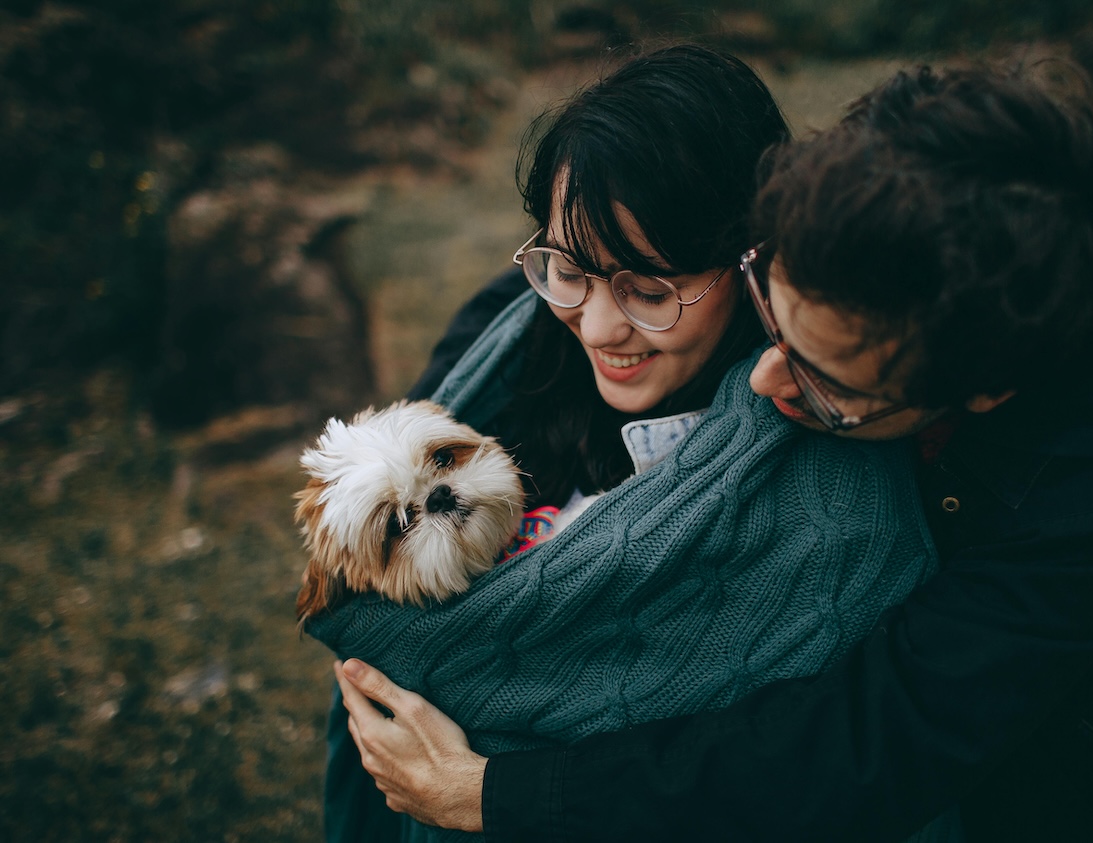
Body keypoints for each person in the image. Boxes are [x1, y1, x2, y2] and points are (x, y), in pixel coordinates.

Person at [333, 60, 1093, 842]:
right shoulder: (868, 198)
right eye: (770, 319)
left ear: (981, 393)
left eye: (831, 384)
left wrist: (503, 794)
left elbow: (884, 733)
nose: (765, 385)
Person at [311, 45, 948, 842]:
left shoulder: (837, 493)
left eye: (650, 290)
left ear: (750, 258)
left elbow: (820, 763)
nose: (601, 327)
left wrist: (489, 788)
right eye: (568, 269)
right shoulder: (507, 343)